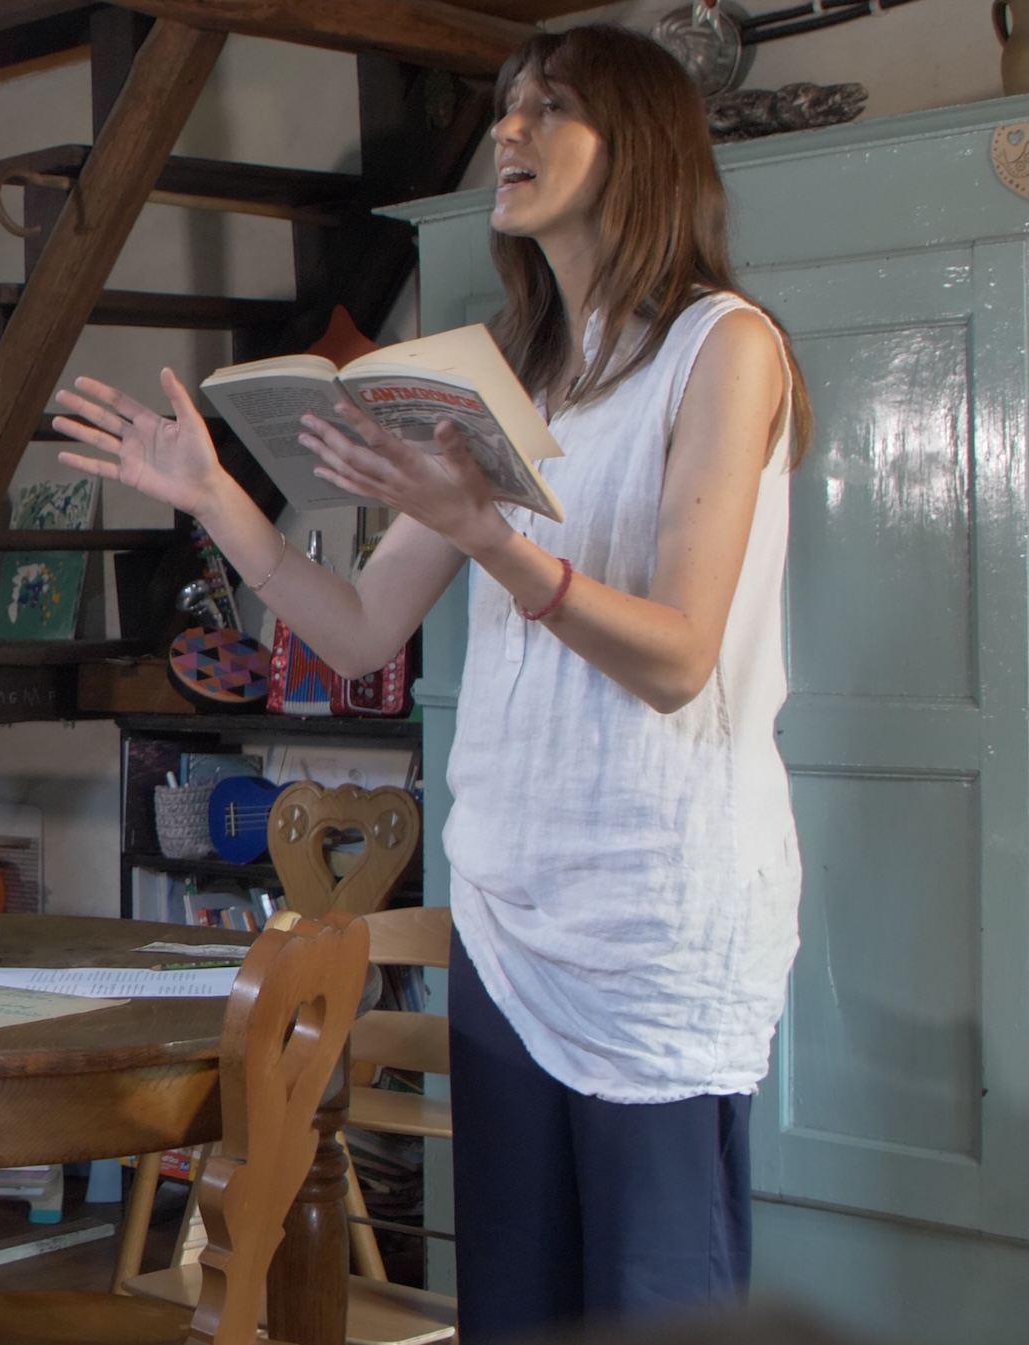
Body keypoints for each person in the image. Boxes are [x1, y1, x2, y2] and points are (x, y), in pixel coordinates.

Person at [52, 26, 808, 1342]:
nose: (506, 131)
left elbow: (679, 657)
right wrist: (216, 497)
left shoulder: (721, 347)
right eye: (505, 106)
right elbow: (355, 629)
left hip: (655, 922)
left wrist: (487, 537)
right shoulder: (507, 376)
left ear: (635, 145)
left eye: (547, 108)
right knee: (512, 1312)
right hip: (507, 920)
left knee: (654, 1315)